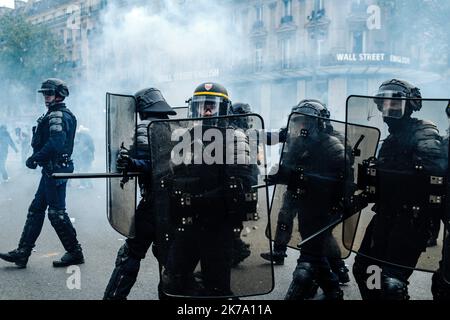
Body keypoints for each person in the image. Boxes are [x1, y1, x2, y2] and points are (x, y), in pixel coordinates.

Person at [352, 79, 448, 300]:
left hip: (411, 220)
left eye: (394, 105)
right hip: (385, 215)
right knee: (366, 269)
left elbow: (435, 176)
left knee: (392, 283)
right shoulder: (390, 139)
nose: (388, 110)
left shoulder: (423, 132)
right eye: (384, 104)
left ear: (410, 106)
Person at [159, 83, 256, 297]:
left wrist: (200, 200)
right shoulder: (185, 136)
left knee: (216, 286)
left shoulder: (235, 138)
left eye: (212, 105)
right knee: (172, 281)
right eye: (202, 106)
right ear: (193, 108)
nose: (207, 111)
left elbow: (240, 186)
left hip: (218, 225)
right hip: (188, 222)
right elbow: (173, 174)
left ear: (224, 108)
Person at [266, 99, 353, 300]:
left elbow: (343, 183)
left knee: (312, 250)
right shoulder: (297, 141)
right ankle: (332, 286)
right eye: (297, 122)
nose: (300, 127)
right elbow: (290, 167)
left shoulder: (334, 146)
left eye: (304, 122)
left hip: (324, 206)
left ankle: (331, 278)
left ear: (317, 123)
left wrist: (335, 206)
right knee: (312, 247)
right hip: (303, 200)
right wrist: (279, 176)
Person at [0, 78, 83, 268]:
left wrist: (35, 158)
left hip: (56, 169)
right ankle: (23, 253)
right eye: (44, 93)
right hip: (51, 169)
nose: (46, 97)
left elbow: (55, 143)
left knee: (56, 214)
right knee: (36, 210)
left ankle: (75, 252)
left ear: (60, 94)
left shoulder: (58, 116)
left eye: (49, 93)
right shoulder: (55, 114)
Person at [103, 88, 177, 300]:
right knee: (169, 256)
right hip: (175, 203)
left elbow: (153, 164)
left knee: (131, 253)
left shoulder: (146, 126)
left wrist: (131, 162)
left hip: (154, 202)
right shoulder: (174, 127)